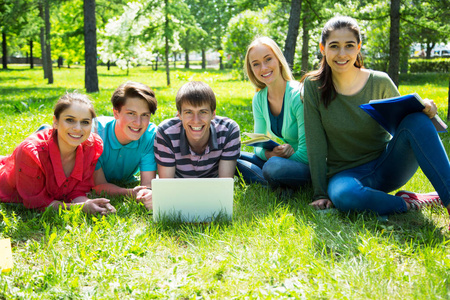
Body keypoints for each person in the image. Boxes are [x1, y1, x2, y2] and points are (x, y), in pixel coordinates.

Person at [302, 16, 450, 219]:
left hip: (388, 165)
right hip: (346, 176)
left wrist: (427, 109)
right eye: (334, 46)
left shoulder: (379, 81)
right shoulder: (313, 86)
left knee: (416, 119)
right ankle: (410, 203)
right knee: (344, 196)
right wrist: (320, 193)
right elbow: (315, 141)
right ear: (322, 48)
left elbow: (406, 126)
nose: (342, 54)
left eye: (349, 46)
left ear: (359, 47)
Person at [0, 93, 116, 215]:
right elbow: (37, 203)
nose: (78, 128)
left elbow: (76, 192)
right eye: (70, 120)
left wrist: (89, 204)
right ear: (55, 122)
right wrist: (78, 208)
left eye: (85, 122)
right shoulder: (32, 152)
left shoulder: (90, 146)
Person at [236, 37, 310, 189]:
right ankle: (279, 184)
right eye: (256, 64)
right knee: (232, 156)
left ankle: (271, 181)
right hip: (280, 159)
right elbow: (257, 146)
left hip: (306, 164)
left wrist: (282, 157)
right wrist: (270, 154)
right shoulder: (259, 98)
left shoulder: (298, 95)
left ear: (278, 60)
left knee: (273, 167)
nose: (263, 68)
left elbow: (306, 154)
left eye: (268, 59)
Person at [154, 81, 240, 178]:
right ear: (179, 115)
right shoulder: (166, 133)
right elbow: (167, 185)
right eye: (189, 112)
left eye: (203, 112)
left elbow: (225, 184)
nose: (196, 120)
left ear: (213, 114)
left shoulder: (229, 130)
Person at [92, 82, 157, 210]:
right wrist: (130, 193)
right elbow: (97, 186)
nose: (138, 123)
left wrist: (146, 193)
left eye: (145, 115)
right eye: (131, 113)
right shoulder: (95, 133)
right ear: (116, 113)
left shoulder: (150, 135)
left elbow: (147, 184)